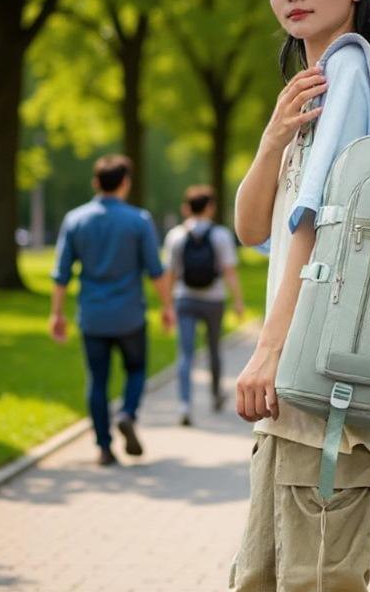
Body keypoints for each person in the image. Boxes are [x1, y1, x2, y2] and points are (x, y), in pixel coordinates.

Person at [228, 0, 370, 592]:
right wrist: (274, 137)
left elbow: (317, 224)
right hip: (297, 395)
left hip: (328, 382)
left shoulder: (350, 66)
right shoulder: (313, 86)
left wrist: (270, 346)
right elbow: (252, 227)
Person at [49, 155, 175, 466]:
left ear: (95, 183)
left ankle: (104, 448)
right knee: (136, 370)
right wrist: (167, 306)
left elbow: (61, 273)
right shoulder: (139, 220)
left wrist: (57, 314)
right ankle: (128, 413)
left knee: (97, 380)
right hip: (130, 315)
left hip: (92, 316)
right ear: (125, 183)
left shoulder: (75, 220)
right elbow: (155, 271)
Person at [163, 185, 244, 425]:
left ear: (186, 208)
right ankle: (216, 394)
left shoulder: (175, 236)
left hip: (184, 298)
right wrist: (238, 300)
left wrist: (167, 304)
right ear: (210, 207)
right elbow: (229, 271)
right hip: (213, 299)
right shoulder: (220, 235)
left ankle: (184, 405)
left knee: (185, 354)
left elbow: (170, 273)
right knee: (213, 349)